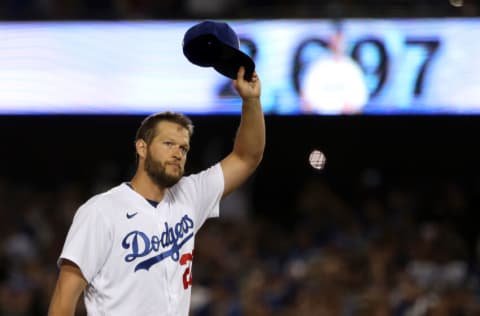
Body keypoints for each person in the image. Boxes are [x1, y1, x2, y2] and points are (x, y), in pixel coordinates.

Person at [48, 66, 265, 316]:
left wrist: (251, 101)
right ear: (142, 148)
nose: (177, 153)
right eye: (168, 144)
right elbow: (63, 301)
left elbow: (248, 157)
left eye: (183, 148)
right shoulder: (100, 211)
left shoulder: (191, 195)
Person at [300, 23, 369, 115]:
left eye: (340, 40)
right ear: (330, 42)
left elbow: (360, 101)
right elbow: (306, 100)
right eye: (335, 40)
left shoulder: (352, 68)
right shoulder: (317, 67)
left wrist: (352, 108)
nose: (337, 44)